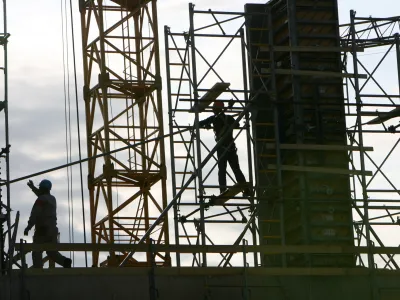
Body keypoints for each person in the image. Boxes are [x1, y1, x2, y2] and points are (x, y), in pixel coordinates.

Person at [199, 100, 250, 196]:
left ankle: (222, 190)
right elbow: (237, 125)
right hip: (231, 147)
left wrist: (208, 125)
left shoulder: (214, 119)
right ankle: (246, 189)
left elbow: (199, 123)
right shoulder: (229, 118)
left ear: (216, 109)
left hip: (222, 148)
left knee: (222, 169)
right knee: (236, 168)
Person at [24, 179, 72, 268]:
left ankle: (38, 270)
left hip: (42, 230)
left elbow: (35, 213)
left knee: (37, 250)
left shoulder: (41, 200)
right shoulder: (52, 199)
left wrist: (28, 226)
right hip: (53, 231)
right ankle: (65, 261)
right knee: (52, 252)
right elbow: (41, 195)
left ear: (42, 188)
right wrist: (33, 187)